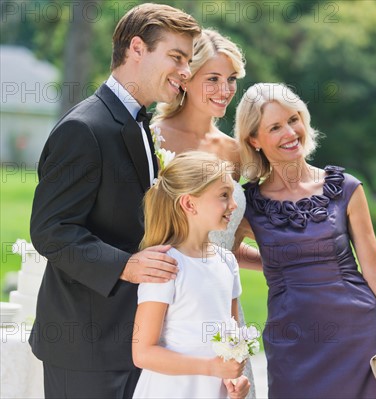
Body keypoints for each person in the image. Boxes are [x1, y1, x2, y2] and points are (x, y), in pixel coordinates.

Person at [28, 4, 200, 398]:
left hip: (133, 339)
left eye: (188, 61)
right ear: (137, 48)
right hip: (85, 344)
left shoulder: (137, 123)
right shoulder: (83, 129)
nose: (186, 71)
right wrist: (126, 266)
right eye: (176, 57)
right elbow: (52, 231)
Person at [234, 83, 376, 398]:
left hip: (355, 335)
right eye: (275, 127)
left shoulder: (345, 188)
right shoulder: (247, 203)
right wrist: (277, 263)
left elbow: (375, 268)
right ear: (254, 139)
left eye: (294, 119)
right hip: (291, 342)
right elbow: (225, 251)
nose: (290, 133)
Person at [151, 28, 259, 396]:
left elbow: (229, 239)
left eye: (230, 80)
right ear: (186, 78)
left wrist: (279, 260)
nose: (225, 90)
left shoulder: (237, 152)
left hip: (222, 304)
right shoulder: (152, 138)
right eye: (212, 79)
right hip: (168, 304)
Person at [131, 151, 250, 399]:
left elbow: (231, 335)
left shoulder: (226, 261)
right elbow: (142, 353)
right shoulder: (165, 264)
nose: (234, 204)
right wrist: (209, 367)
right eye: (223, 195)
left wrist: (235, 378)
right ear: (189, 204)